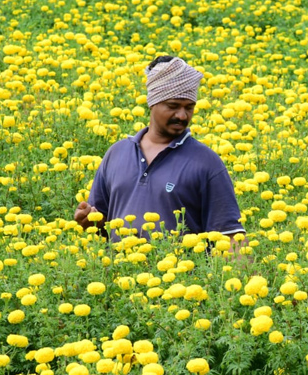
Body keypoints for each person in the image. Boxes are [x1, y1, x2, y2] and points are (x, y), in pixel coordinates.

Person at [74, 55, 246, 244]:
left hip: (183, 273)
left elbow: (231, 237)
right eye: (172, 106)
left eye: (189, 107)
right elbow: (104, 223)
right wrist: (90, 220)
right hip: (119, 270)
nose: (182, 115)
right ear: (152, 102)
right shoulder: (117, 154)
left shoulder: (206, 163)